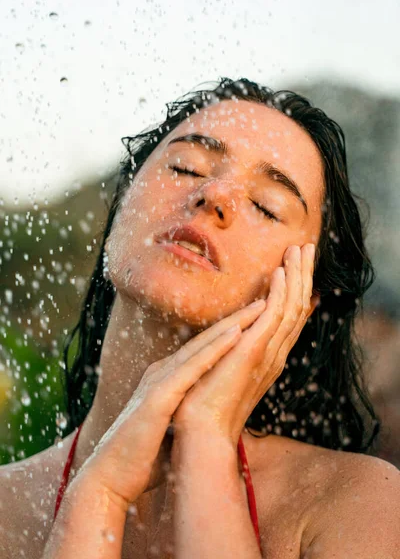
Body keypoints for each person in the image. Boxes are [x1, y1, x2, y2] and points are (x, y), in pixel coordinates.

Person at [0, 77, 399, 559]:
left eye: (266, 207)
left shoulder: (358, 506)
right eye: (187, 167)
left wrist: (207, 436)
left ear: (299, 301)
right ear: (119, 211)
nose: (214, 194)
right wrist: (98, 494)